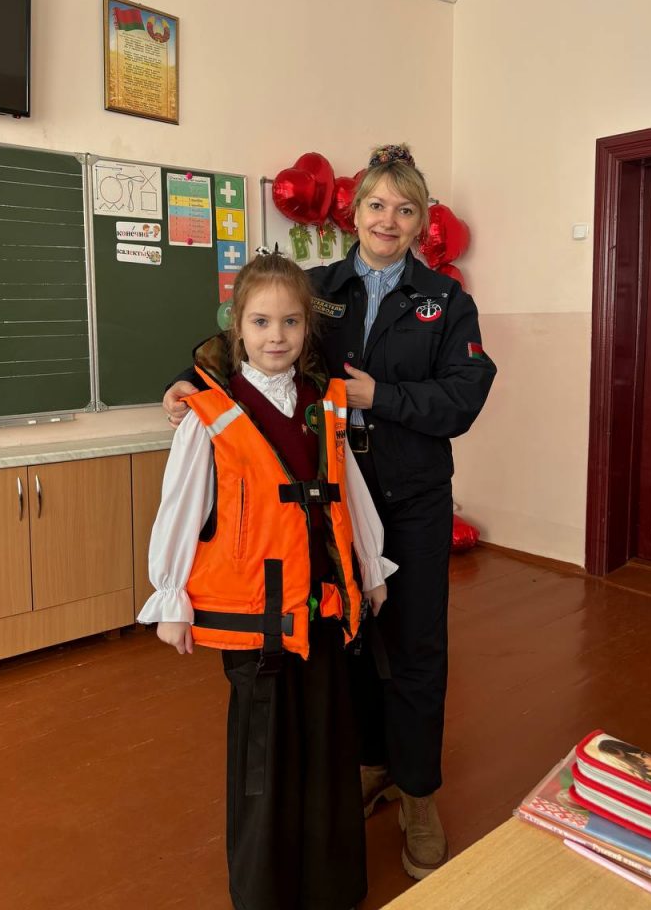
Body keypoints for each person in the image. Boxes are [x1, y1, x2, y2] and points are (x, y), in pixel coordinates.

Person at [164, 144, 497, 881]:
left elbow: (464, 397)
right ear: (355, 211)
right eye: (376, 204)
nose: (388, 219)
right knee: (348, 643)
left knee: (414, 648)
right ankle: (373, 764)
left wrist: (385, 397)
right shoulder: (317, 289)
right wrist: (185, 380)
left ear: (422, 221)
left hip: (411, 500)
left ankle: (418, 793)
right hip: (327, 501)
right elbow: (251, 339)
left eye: (405, 209)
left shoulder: (447, 301)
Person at [140, 251, 397, 910]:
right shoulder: (210, 412)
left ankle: (331, 886)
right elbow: (181, 507)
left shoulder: (324, 404)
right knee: (265, 760)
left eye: (290, 322)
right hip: (255, 623)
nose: (276, 335)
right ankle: (265, 892)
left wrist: (371, 567)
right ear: (238, 328)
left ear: (308, 329)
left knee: (326, 747)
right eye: (260, 322)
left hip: (322, 611)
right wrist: (171, 598)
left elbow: (348, 491)